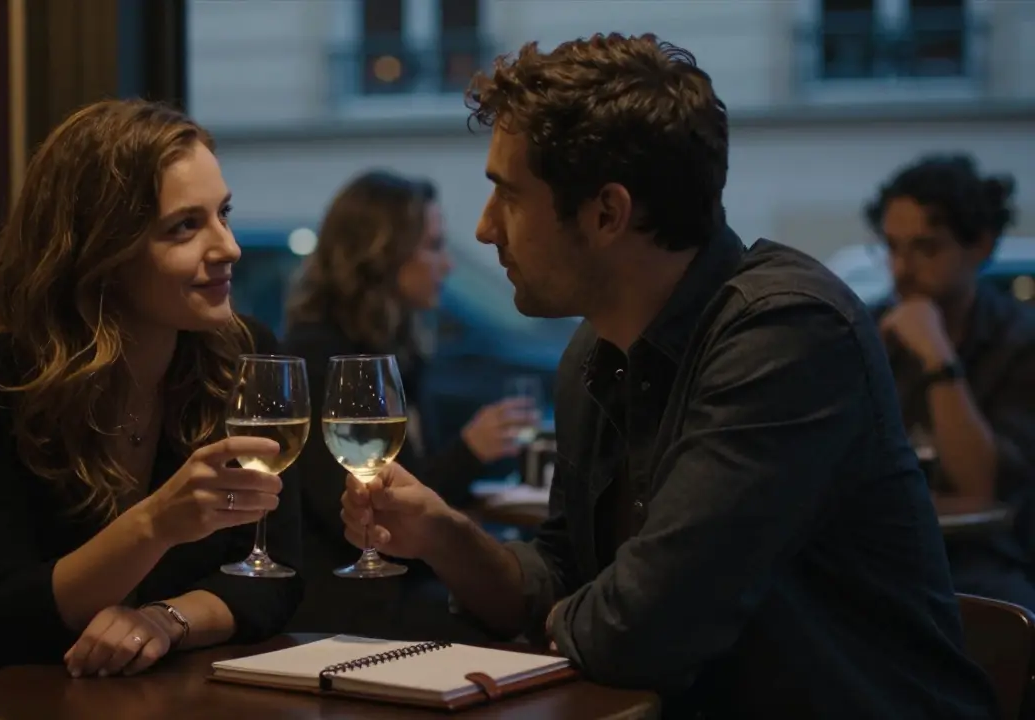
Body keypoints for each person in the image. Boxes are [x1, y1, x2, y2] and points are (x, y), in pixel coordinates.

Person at [337, 34, 999, 718]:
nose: (483, 229)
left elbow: (642, 630)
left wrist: (574, 616)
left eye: (507, 195)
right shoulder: (595, 350)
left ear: (607, 214)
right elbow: (566, 578)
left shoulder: (789, 332)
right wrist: (446, 535)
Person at [0, 99, 302, 717]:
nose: (229, 247)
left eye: (223, 215)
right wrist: (154, 525)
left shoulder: (243, 357)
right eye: (184, 227)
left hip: (166, 698)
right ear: (101, 251)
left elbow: (278, 574)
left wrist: (165, 621)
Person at [280, 170, 533, 640]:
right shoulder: (321, 357)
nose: (448, 265)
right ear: (382, 255)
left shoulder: (400, 353)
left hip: (400, 583)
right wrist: (470, 452)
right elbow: (361, 512)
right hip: (344, 600)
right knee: (513, 624)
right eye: (434, 246)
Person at [866, 155, 1035, 609]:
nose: (901, 269)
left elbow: (981, 487)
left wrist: (939, 360)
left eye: (926, 248)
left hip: (984, 562)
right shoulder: (871, 331)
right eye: (893, 247)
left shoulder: (1020, 342)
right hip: (881, 554)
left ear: (980, 245)